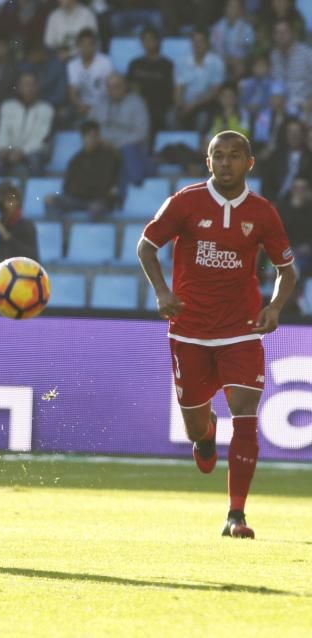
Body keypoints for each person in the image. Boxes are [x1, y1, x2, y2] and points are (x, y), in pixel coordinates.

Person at [137, 131, 297, 539]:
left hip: (241, 329)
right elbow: (146, 246)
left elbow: (287, 270)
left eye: (234, 156)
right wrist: (162, 291)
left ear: (250, 162)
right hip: (189, 330)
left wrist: (274, 308)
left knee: (245, 416)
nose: (226, 163)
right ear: (208, 163)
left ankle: (236, 515)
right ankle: (205, 435)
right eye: (218, 156)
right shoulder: (185, 202)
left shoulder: (262, 213)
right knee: (194, 426)